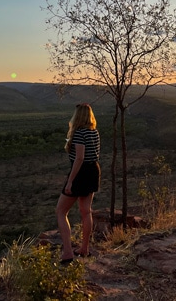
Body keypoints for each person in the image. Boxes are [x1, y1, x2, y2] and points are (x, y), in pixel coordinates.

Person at [56, 103, 101, 263]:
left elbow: (79, 158)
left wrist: (70, 181)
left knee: (61, 211)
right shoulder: (94, 132)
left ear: (77, 116)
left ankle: (68, 252)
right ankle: (84, 248)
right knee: (86, 211)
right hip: (93, 170)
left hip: (81, 172)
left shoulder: (79, 133)